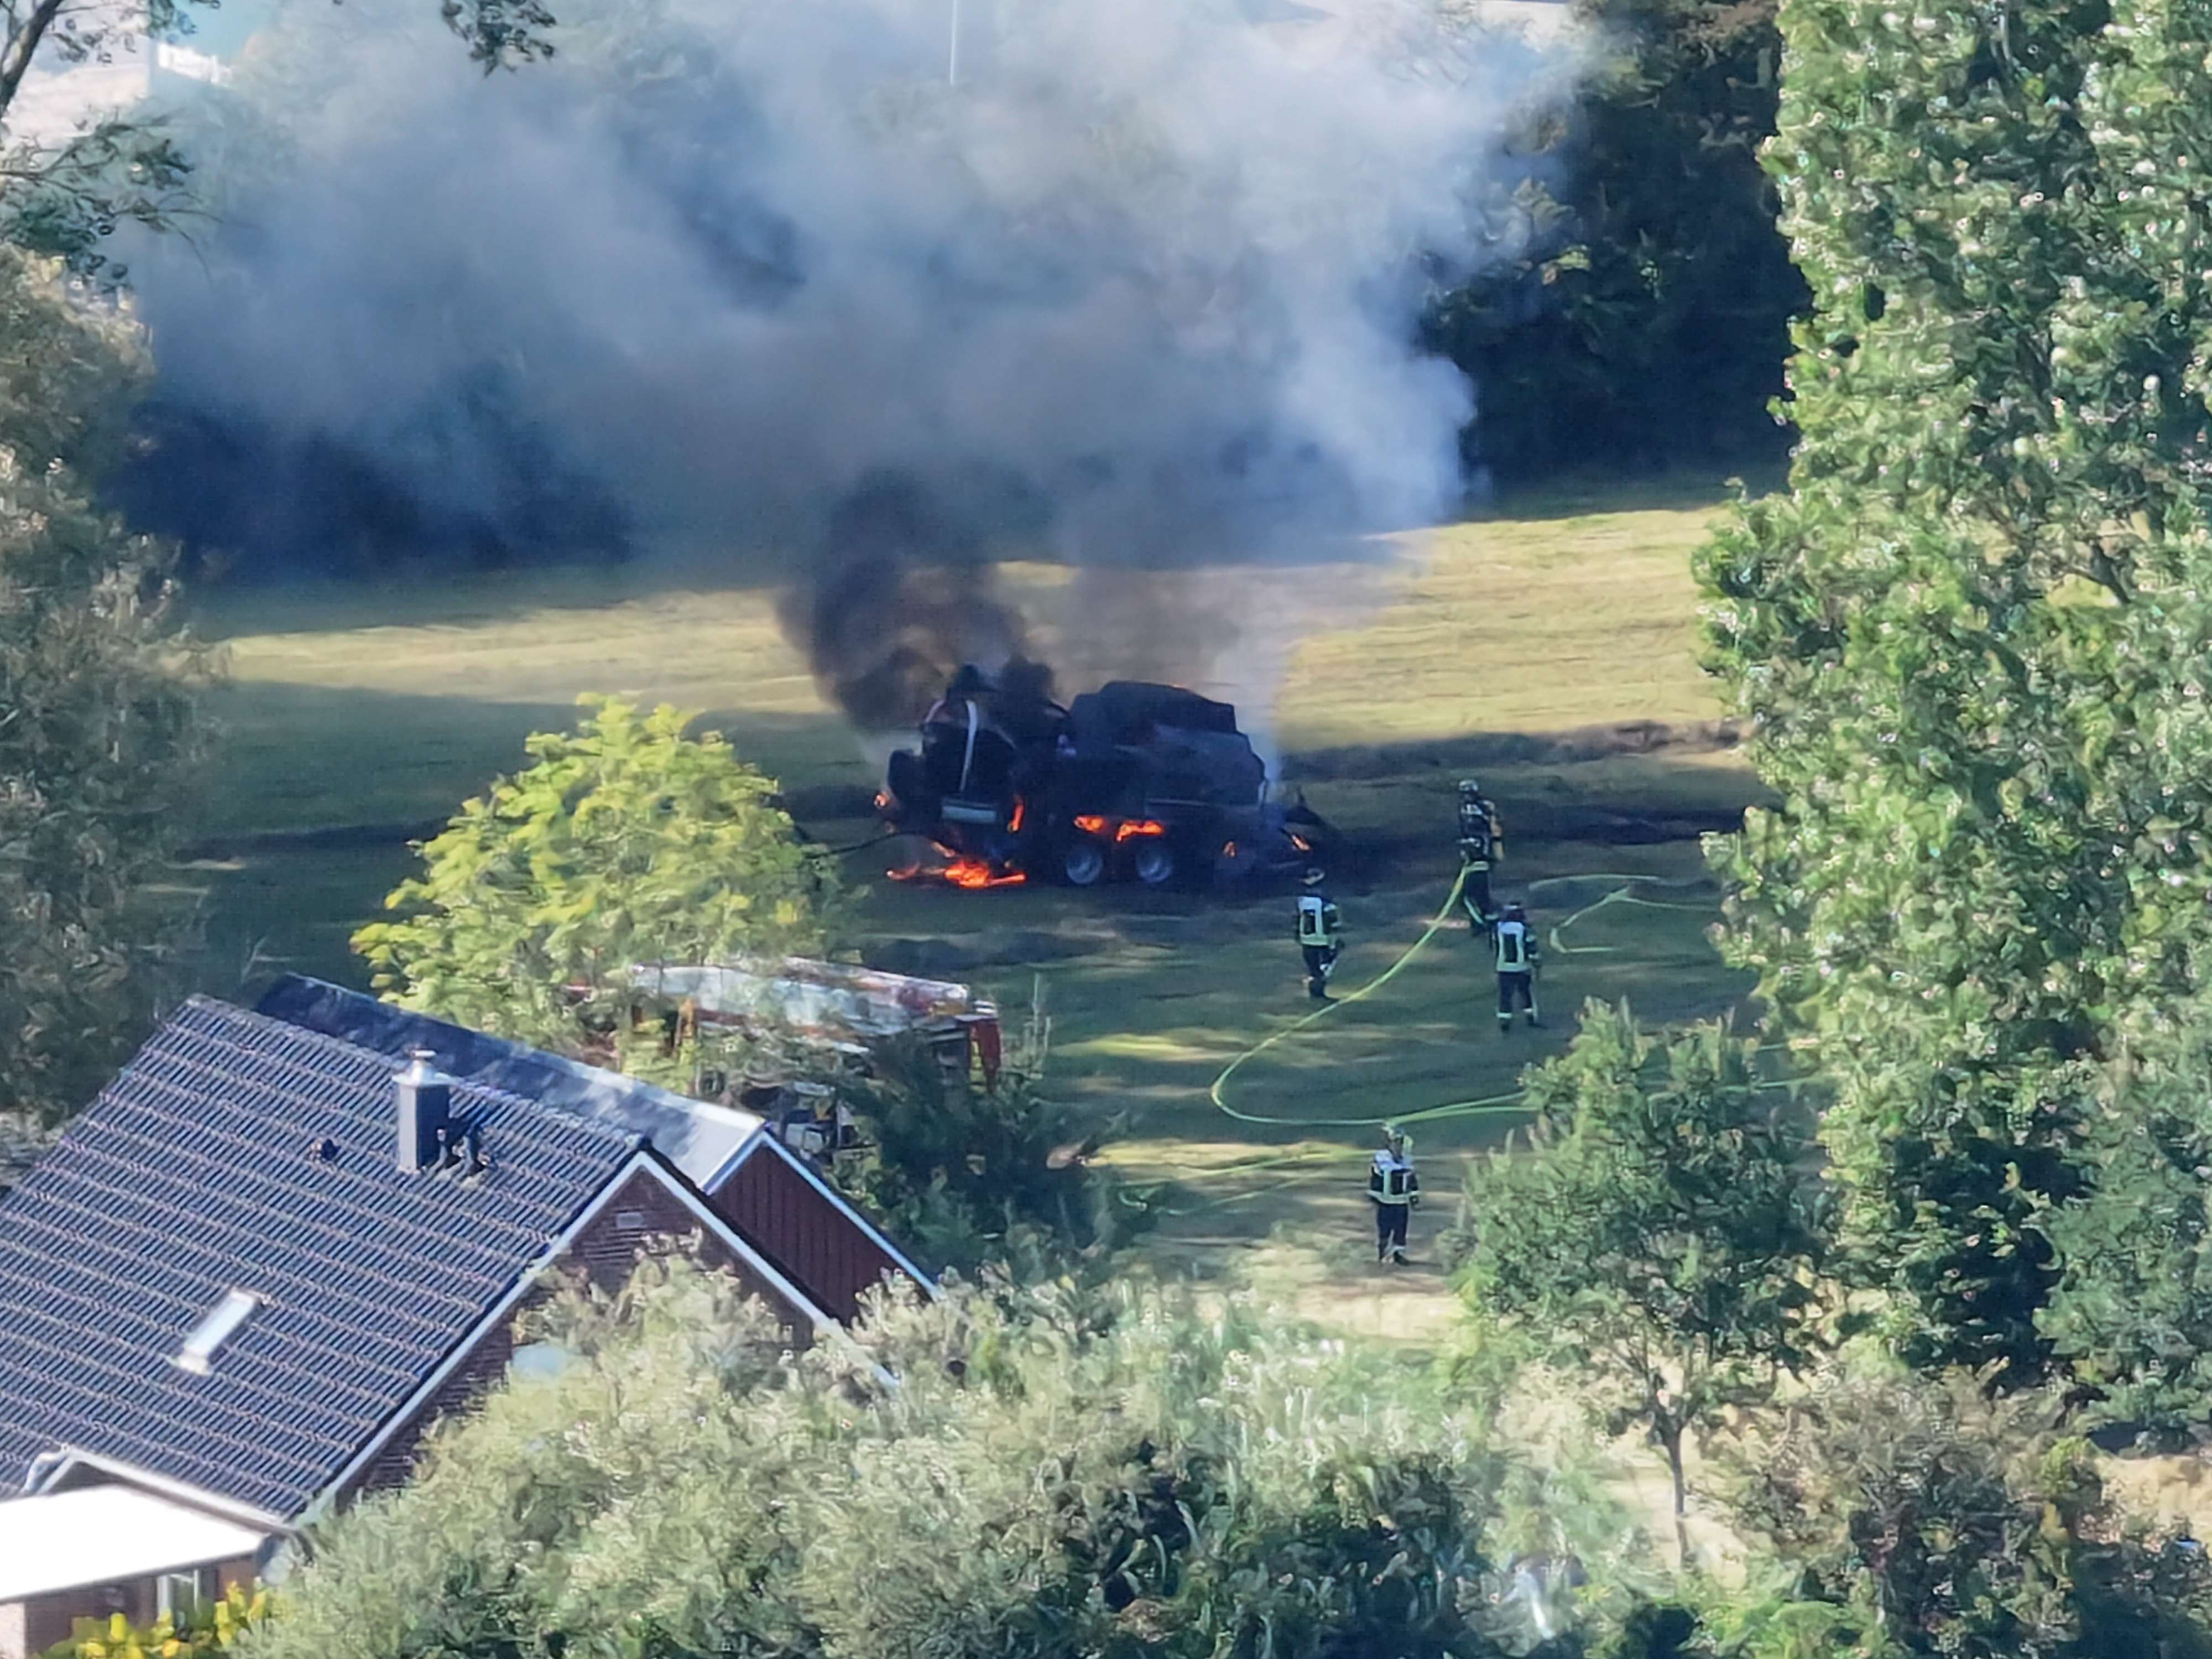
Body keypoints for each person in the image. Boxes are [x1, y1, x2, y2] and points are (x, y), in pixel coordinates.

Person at [1456, 779, 1503, 936]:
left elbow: (1489, 832)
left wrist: (1471, 846)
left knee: (1467, 899)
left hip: (1479, 861)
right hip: (1478, 860)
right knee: (1482, 898)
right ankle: (1490, 924)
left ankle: (1484, 925)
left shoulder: (1481, 810)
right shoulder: (1472, 810)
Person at [1368, 1125, 1420, 1264]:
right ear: (1389, 1144)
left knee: (1401, 1230)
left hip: (1401, 1203)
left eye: (1400, 1142)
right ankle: (1382, 1252)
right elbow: (1375, 1179)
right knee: (1384, 1229)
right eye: (1395, 1142)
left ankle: (1398, 1255)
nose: (1398, 1146)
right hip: (1385, 1202)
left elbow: (1412, 1180)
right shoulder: (1381, 1160)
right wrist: (1374, 1196)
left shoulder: (1407, 1160)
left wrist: (1414, 1196)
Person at [1294, 867, 1342, 1000]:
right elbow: (1332, 918)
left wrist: (1298, 933)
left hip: (1307, 938)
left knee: (1314, 967)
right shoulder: (1324, 899)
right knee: (1326, 963)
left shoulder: (1302, 898)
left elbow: (1298, 918)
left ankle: (1314, 991)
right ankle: (1318, 992)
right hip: (1322, 938)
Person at [1494, 899, 1541, 1034]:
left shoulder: (1498, 928)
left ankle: (1505, 1022)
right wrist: (1536, 962)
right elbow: (1531, 948)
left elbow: (1496, 946)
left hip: (1503, 968)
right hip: (1521, 967)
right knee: (1525, 993)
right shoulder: (1525, 929)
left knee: (1505, 995)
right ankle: (1530, 1018)